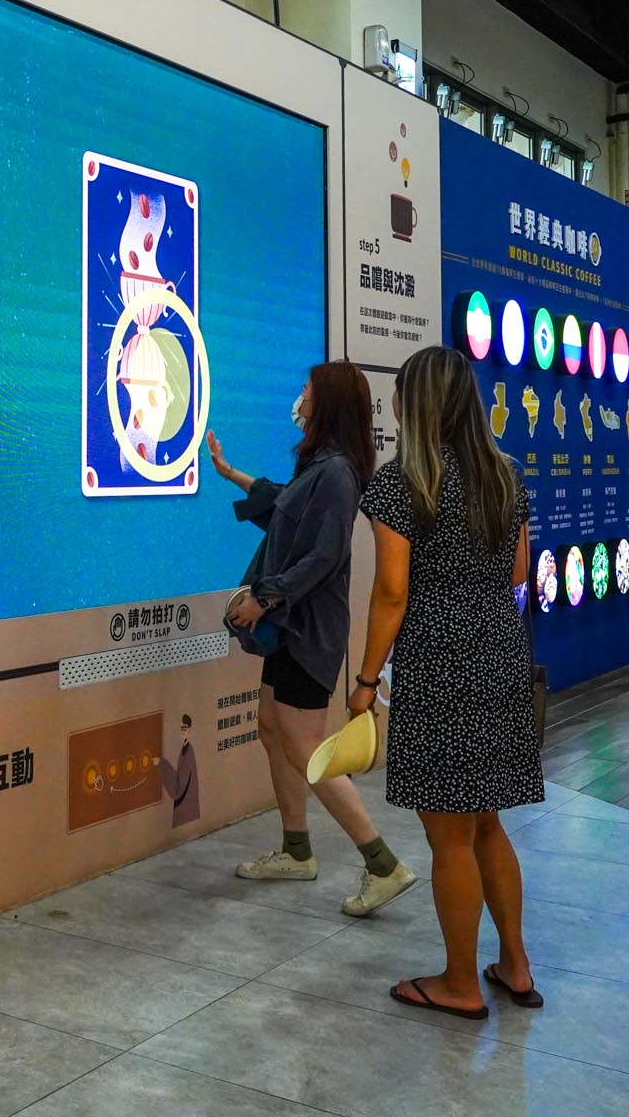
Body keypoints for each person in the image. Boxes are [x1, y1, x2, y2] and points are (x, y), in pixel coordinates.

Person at [348, 345, 544, 1020]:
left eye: (400, 393)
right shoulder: (505, 475)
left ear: (414, 403)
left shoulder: (402, 483)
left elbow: (391, 592)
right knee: (486, 822)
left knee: (449, 837)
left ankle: (460, 982)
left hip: (439, 661)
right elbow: (518, 572)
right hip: (501, 652)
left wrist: (365, 681)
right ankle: (514, 964)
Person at [207, 360, 416, 918]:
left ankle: (382, 864)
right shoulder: (320, 466)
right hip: (291, 626)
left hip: (307, 629)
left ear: (327, 403)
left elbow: (322, 556)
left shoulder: (338, 473)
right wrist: (232, 474)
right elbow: (285, 513)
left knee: (303, 746)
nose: (299, 397)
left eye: (306, 389)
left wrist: (265, 598)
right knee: (272, 726)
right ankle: (296, 850)